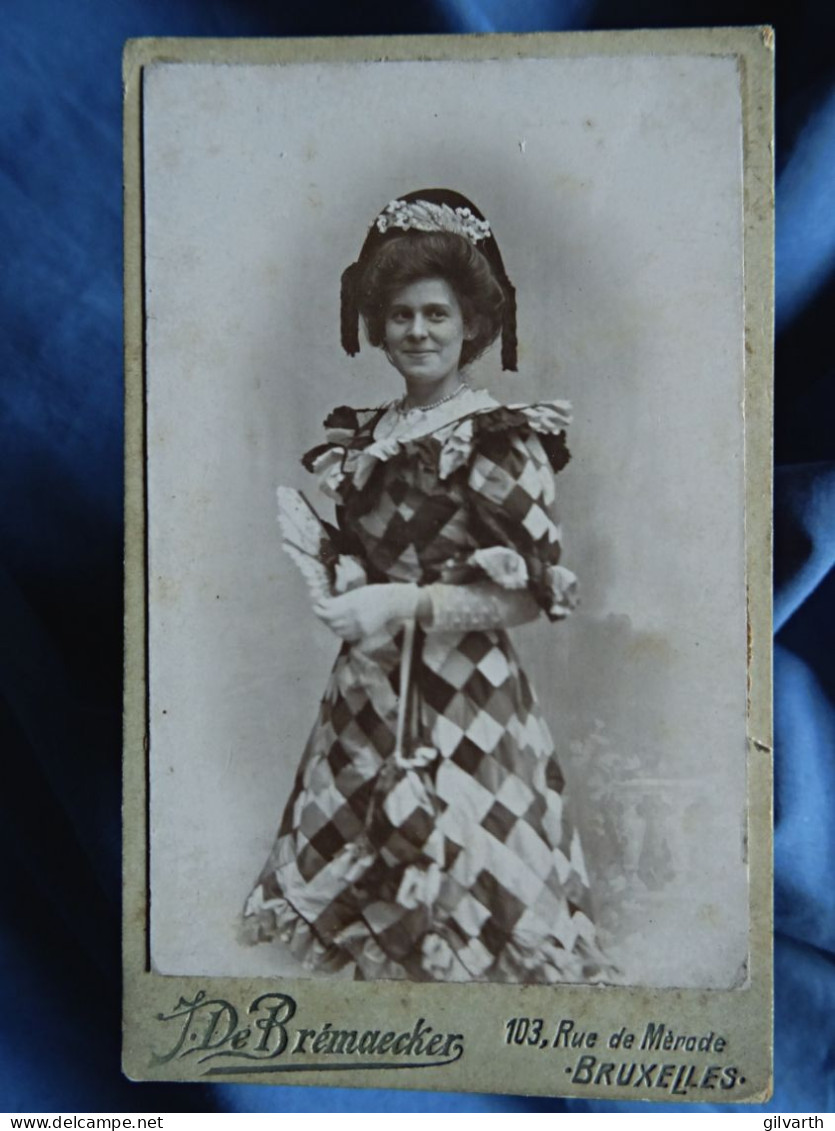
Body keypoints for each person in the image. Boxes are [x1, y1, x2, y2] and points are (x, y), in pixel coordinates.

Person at [242, 188, 613, 983]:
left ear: (472, 324)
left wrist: (401, 603)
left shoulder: (499, 440)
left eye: (436, 315)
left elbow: (527, 597)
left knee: (469, 903)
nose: (417, 331)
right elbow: (366, 551)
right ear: (378, 324)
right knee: (361, 913)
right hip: (368, 692)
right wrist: (346, 578)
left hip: (468, 700)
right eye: (402, 314)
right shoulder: (366, 437)